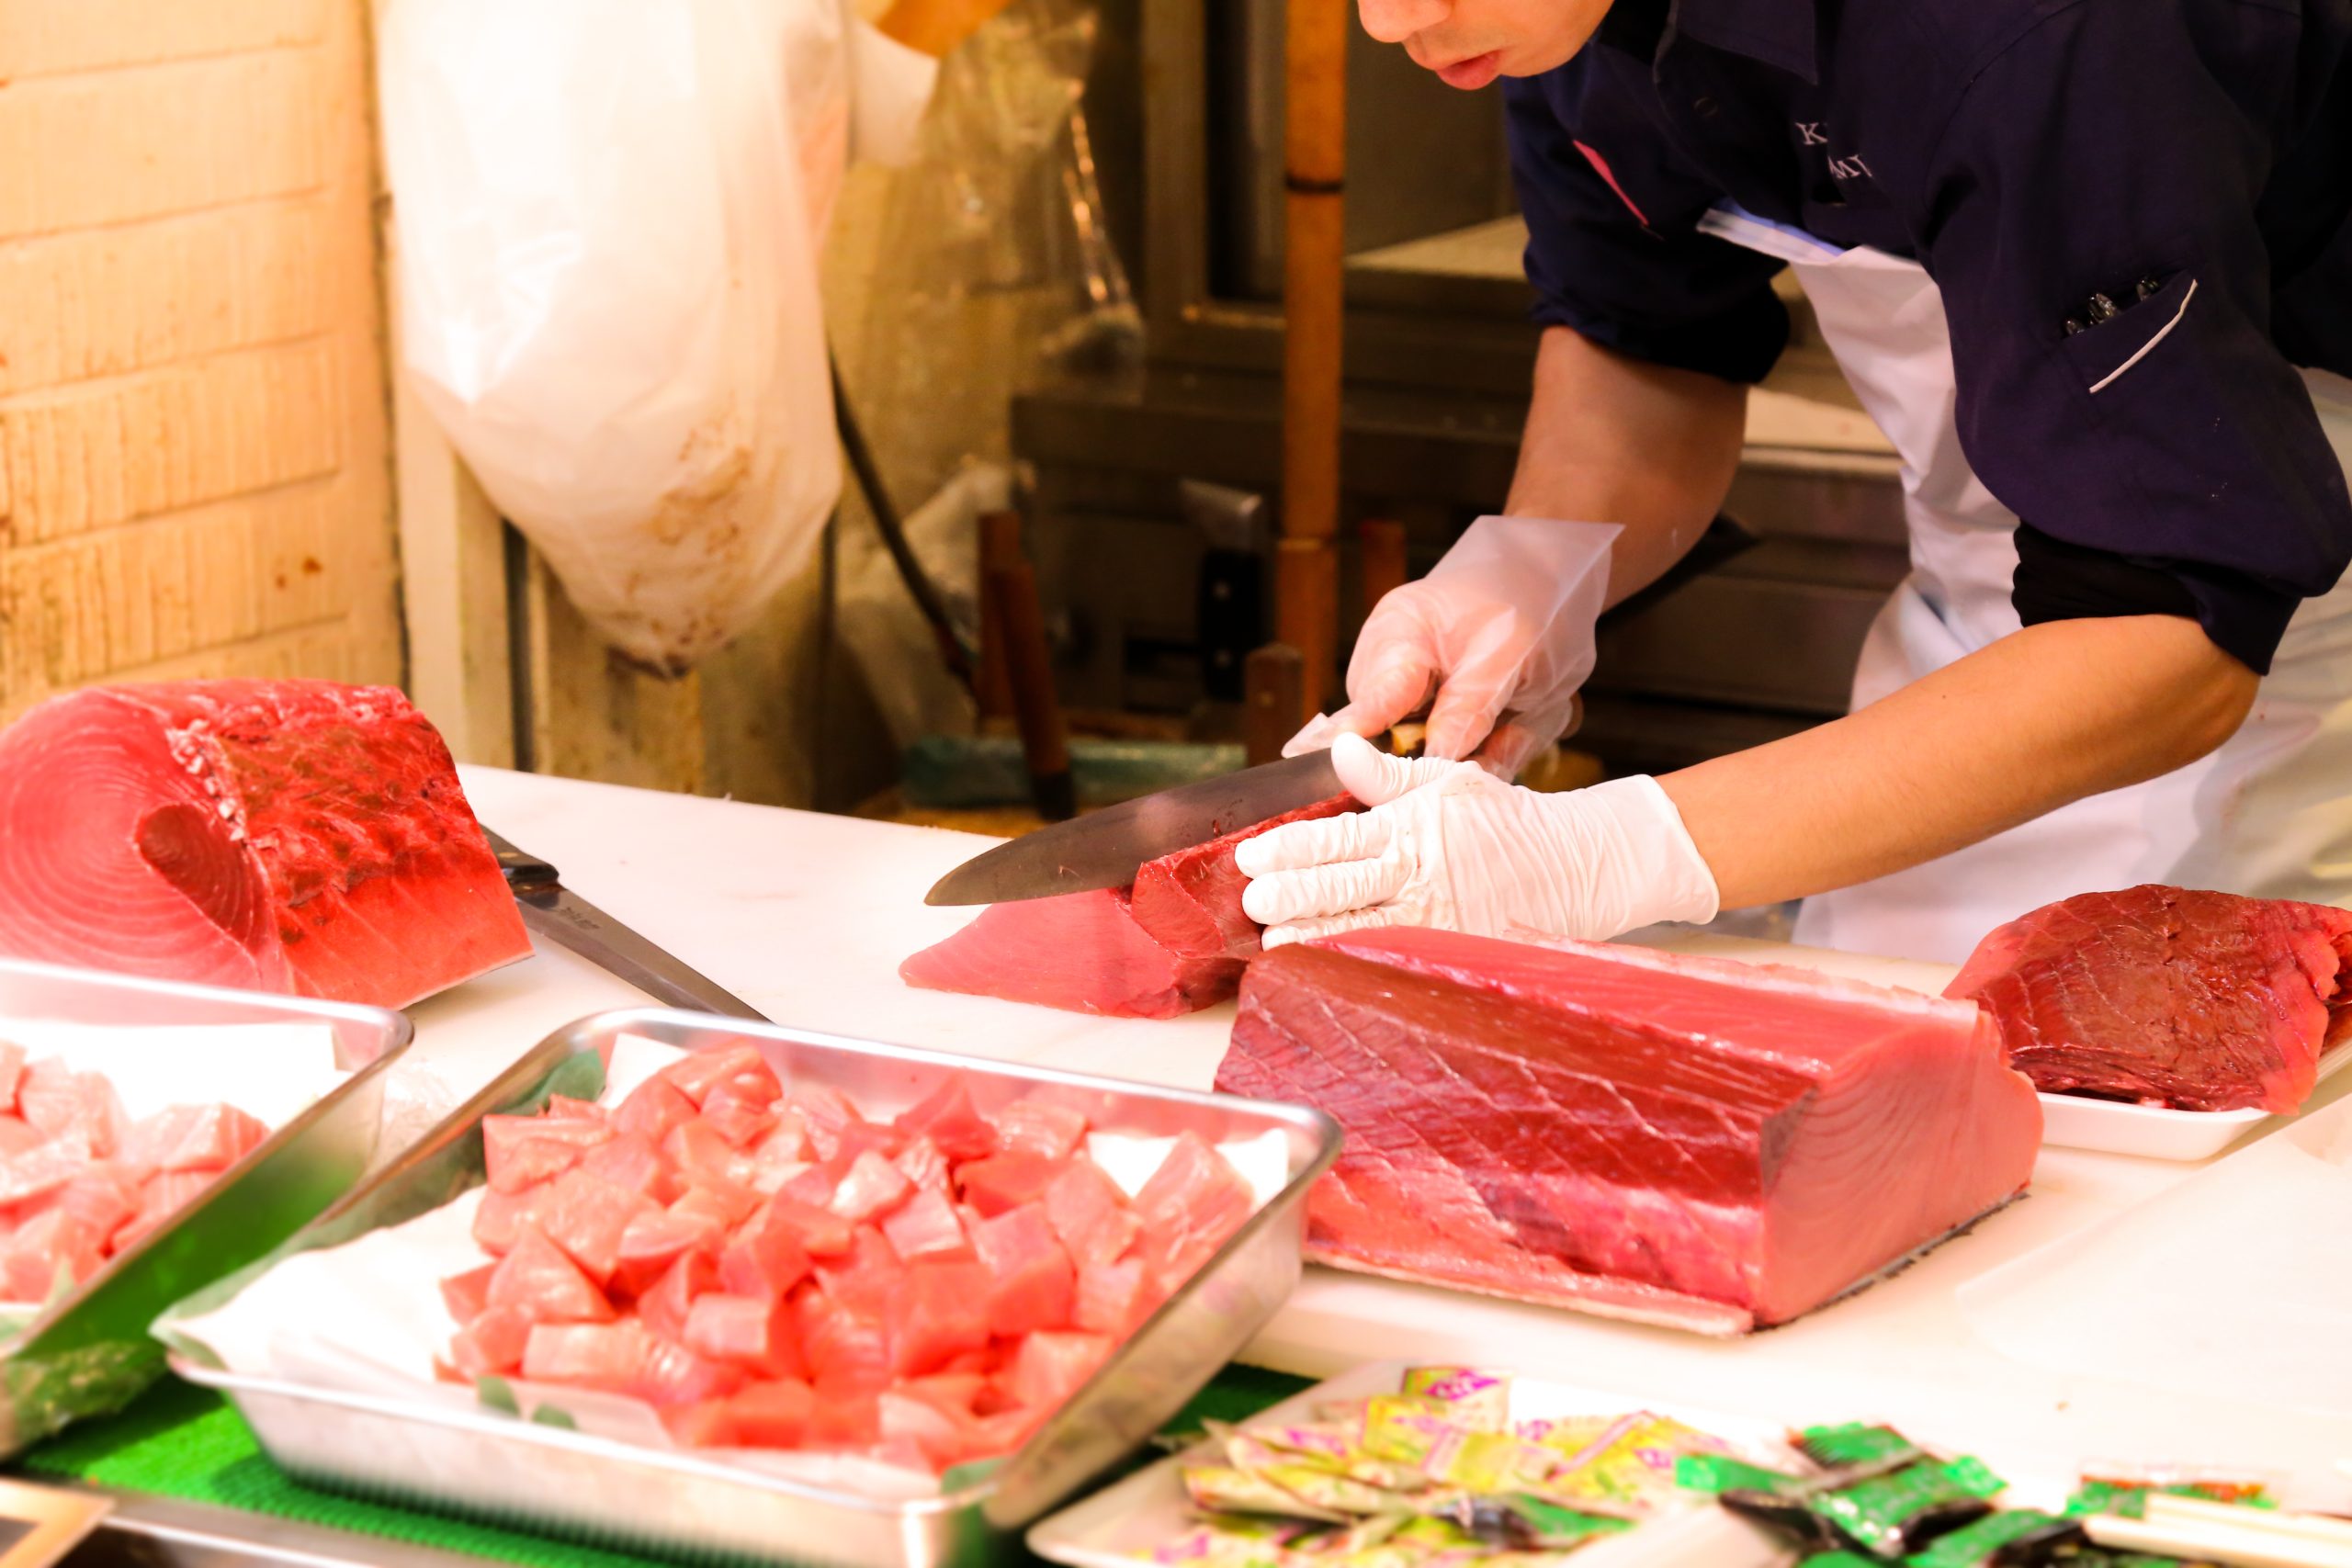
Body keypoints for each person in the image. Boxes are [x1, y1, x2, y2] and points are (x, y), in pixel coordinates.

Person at [1238, 0, 2352, 964]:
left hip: (2291, 660)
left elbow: (2179, 633)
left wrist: (1609, 853)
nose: (1388, 21)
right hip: (1994, 639)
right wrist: (1533, 569)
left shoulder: (2033, 25)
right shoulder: (1544, 22)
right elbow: (1652, 339)